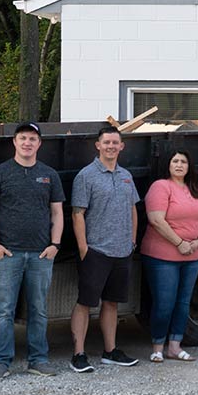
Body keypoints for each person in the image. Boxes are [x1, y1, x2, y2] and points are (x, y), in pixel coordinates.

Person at [0, 122, 64, 380]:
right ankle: (1, 362)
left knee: (38, 309)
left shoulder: (49, 174)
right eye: (23, 138)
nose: (27, 143)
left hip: (40, 254)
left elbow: (58, 212)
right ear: (14, 142)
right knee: (4, 310)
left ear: (39, 144)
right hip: (8, 254)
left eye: (32, 139)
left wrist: (55, 245)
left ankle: (38, 360)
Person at [70, 127, 140, 372]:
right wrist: (83, 248)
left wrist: (131, 241)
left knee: (111, 303)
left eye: (115, 142)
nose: (111, 146)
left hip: (122, 251)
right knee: (85, 303)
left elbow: (133, 209)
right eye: (106, 142)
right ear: (97, 145)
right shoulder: (86, 176)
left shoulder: (126, 176)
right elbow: (78, 213)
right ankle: (78, 354)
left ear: (122, 147)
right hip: (96, 251)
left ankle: (110, 351)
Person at [141, 150, 198, 362]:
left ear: (189, 166)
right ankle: (157, 347)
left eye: (183, 161)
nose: (179, 165)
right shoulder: (160, 187)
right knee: (164, 302)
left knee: (183, 302)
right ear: (168, 165)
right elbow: (156, 219)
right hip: (162, 257)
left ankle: (175, 346)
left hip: (193, 255)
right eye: (175, 161)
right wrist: (179, 243)